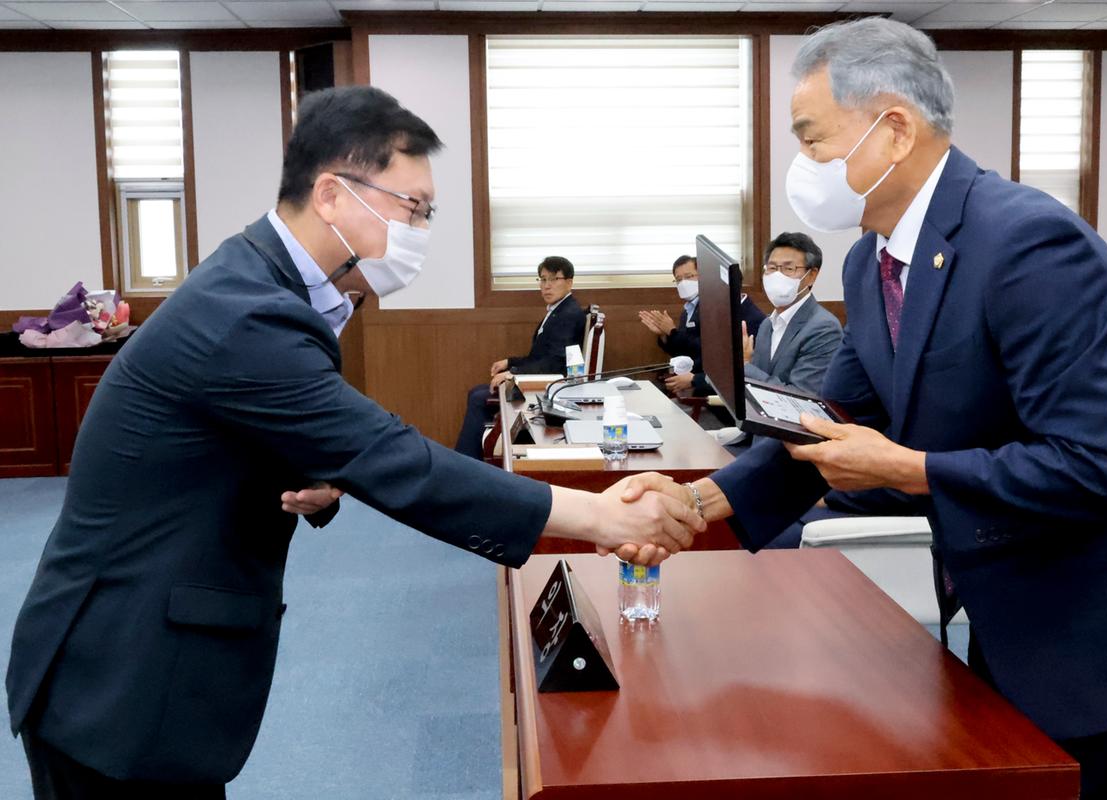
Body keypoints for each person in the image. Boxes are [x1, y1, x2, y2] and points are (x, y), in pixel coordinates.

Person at [6, 86, 703, 799]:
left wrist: (320, 474)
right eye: (414, 208)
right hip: (116, 675)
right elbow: (392, 457)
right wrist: (601, 518)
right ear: (334, 194)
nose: (422, 230)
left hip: (146, 654)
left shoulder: (263, 282)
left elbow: (264, 439)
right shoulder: (248, 312)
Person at [617, 18, 1107, 800]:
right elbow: (825, 419)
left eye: (813, 139)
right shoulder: (872, 260)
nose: (804, 166)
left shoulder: (1029, 244)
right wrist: (696, 499)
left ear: (893, 130)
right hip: (1003, 600)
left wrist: (913, 470)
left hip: (1106, 625)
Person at [715, 232, 842, 447]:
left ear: (811, 276)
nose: (777, 275)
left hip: (792, 447)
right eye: (772, 268)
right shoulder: (768, 324)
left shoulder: (823, 328)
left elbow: (800, 401)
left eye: (788, 268)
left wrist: (745, 366)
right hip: (758, 438)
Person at [454, 255, 586, 459]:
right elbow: (539, 357)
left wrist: (513, 374)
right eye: (542, 279)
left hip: (549, 385)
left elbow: (554, 363)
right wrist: (510, 363)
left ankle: (465, 460)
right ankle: (467, 458)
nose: (546, 286)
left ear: (569, 282)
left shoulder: (568, 314)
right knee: (477, 393)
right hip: (540, 378)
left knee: (480, 398)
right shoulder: (557, 311)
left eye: (553, 279)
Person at [639, 255, 766, 397]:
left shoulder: (753, 319)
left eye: (689, 276)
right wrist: (665, 335)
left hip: (722, 397)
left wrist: (695, 380)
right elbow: (691, 351)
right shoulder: (705, 308)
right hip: (699, 382)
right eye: (679, 280)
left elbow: (732, 368)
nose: (684, 283)